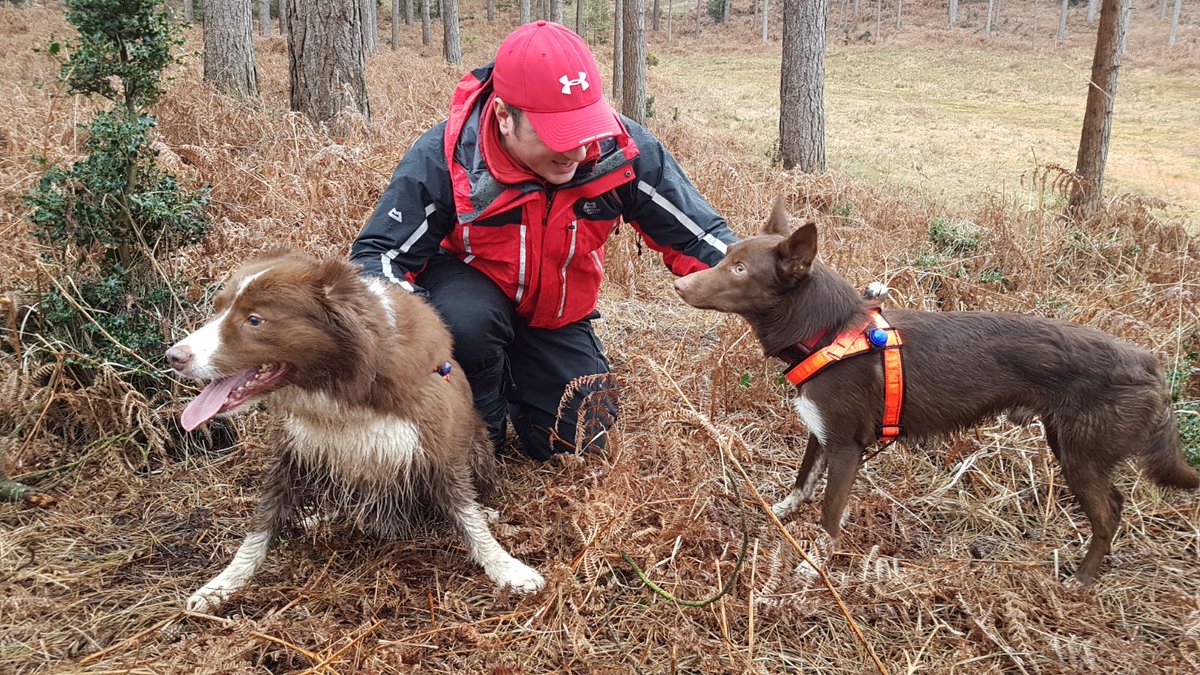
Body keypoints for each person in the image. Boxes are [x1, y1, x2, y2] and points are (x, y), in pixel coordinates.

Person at [351, 21, 737, 461]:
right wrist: (418, 347)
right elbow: (377, 258)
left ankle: (526, 377)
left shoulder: (620, 152)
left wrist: (781, 286)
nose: (577, 153)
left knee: (582, 446)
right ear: (503, 117)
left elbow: (700, 237)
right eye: (557, 136)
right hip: (466, 308)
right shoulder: (449, 156)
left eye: (584, 128)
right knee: (469, 327)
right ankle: (480, 434)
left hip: (556, 316)